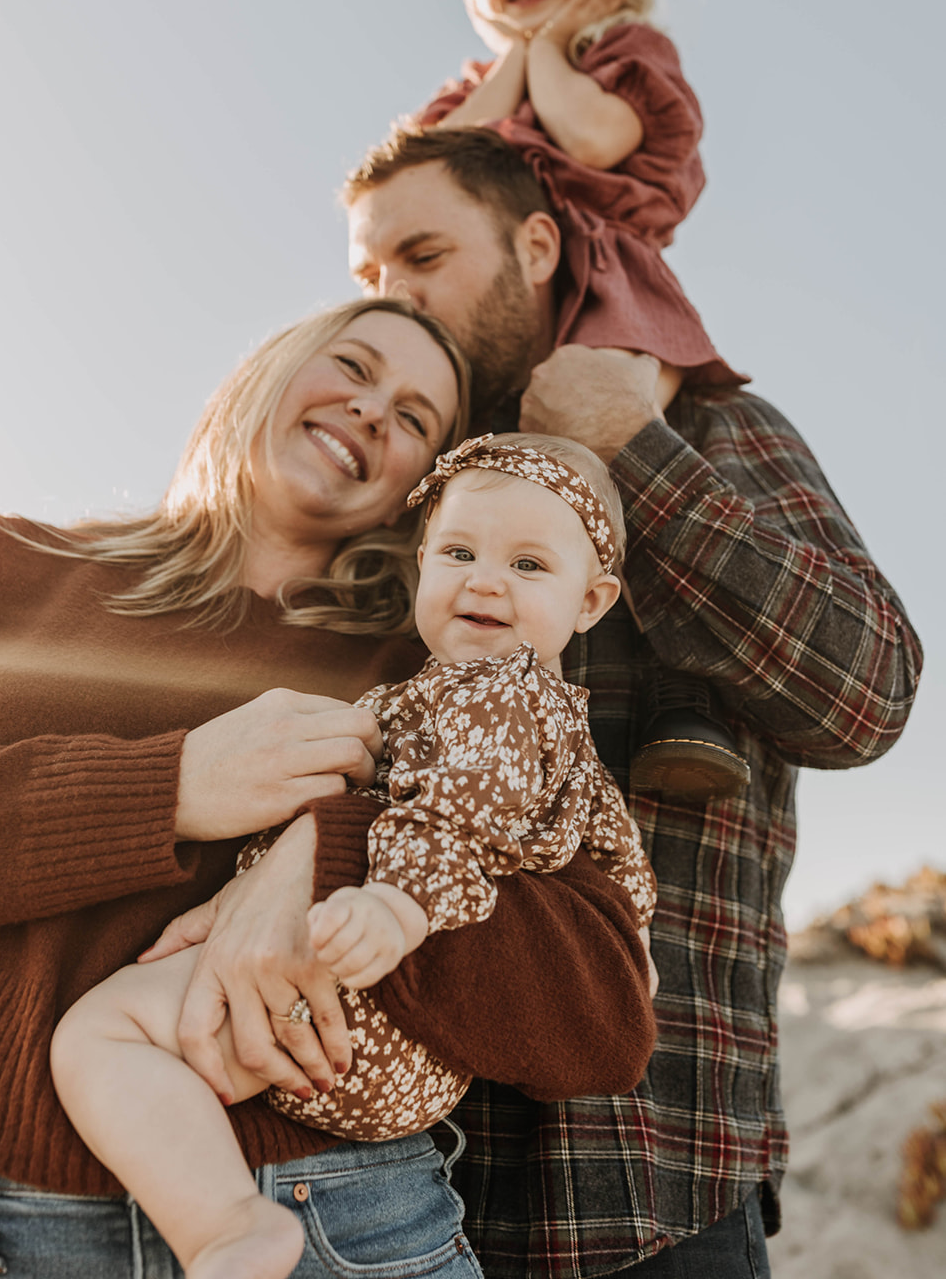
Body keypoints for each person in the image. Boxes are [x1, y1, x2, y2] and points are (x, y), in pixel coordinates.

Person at [0, 295, 658, 1279]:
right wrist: (162, 790)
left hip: (330, 1222)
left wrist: (320, 854)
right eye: (353, 366)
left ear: (425, 493)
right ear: (267, 372)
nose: (375, 411)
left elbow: (600, 1018)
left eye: (415, 418)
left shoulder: (447, 669)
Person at [341, 127, 923, 1276]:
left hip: (656, 1175)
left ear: (536, 244)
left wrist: (629, 449)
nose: (393, 298)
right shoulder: (411, 491)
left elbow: (866, 692)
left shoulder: (705, 429)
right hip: (385, 1180)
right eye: (368, 277)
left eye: (420, 255)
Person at [50, 431, 656, 1279]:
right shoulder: (467, 700)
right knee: (162, 1051)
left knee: (101, 1036)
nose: (484, 580)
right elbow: (620, 862)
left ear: (589, 602)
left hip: (356, 1000)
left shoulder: (505, 696)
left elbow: (461, 813)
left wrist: (394, 903)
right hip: (383, 1051)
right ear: (422, 565)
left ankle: (226, 1227)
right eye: (459, 551)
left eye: (527, 566)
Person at [416, 0, 751, 799]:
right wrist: (513, 60)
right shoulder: (477, 93)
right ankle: (511, 693)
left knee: (624, 470)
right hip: (524, 318)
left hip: (615, 300)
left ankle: (688, 697)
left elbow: (600, 138)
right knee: (538, 507)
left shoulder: (617, 58)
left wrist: (547, 49)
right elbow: (443, 166)